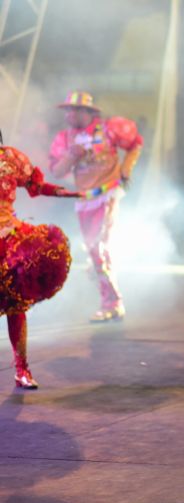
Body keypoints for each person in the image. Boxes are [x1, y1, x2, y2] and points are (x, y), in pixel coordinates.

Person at [48, 91, 142, 323]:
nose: (69, 114)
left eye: (74, 110)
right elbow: (57, 171)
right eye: (67, 110)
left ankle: (113, 303)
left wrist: (126, 169)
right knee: (93, 252)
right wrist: (71, 156)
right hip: (84, 199)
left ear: (87, 112)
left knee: (98, 247)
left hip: (107, 194)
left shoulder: (109, 129)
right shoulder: (64, 138)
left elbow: (135, 143)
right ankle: (109, 299)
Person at [1, 141, 80, 388]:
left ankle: (22, 369)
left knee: (16, 304)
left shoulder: (10, 158)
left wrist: (61, 192)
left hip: (7, 238)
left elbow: (35, 185)